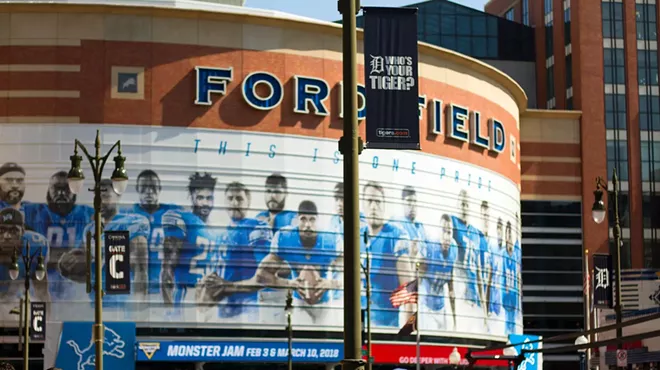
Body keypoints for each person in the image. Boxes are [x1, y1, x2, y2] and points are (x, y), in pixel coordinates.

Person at [61, 180, 150, 319]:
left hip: (123, 306)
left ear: (118, 196)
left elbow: (141, 269)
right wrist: (68, 268)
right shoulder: (90, 229)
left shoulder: (132, 223)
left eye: (106, 196)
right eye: (97, 197)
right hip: (97, 304)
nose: (100, 202)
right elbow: (90, 272)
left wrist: (139, 311)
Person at [253, 200, 339, 325]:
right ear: (297, 220)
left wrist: (332, 283)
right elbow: (262, 275)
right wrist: (289, 283)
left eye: (312, 219)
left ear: (318, 221)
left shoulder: (330, 239)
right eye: (303, 219)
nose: (308, 225)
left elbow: (352, 273)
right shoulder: (286, 237)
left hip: (325, 303)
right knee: (302, 340)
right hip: (299, 302)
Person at [195, 182, 272, 321]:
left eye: (239, 198)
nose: (234, 202)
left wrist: (227, 286)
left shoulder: (256, 227)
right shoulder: (222, 234)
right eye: (230, 198)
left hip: (247, 310)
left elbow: (265, 277)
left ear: (248, 202)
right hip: (221, 310)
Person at [23, 171, 94, 303]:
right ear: (48, 190)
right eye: (57, 189)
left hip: (75, 294)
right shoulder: (31, 212)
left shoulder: (88, 215)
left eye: (66, 189)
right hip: (39, 291)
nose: (61, 193)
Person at [161, 172, 220, 320]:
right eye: (200, 198)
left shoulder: (214, 230)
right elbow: (167, 269)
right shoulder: (184, 219)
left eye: (209, 198)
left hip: (210, 298)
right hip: (187, 295)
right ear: (192, 197)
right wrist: (169, 311)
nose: (205, 203)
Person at [123, 170, 182, 307]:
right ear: (137, 189)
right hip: (135, 287)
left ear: (159, 189)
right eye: (144, 188)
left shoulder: (172, 212)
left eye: (153, 187)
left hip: (166, 287)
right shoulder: (127, 214)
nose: (149, 192)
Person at [360, 181, 412, 328]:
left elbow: (408, 287)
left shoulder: (395, 235)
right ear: (363, 205)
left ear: (384, 205)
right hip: (359, 324)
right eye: (369, 201)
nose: (373, 206)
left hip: (385, 326)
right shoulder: (357, 235)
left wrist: (408, 333)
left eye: (378, 201)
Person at [0, 208, 50, 324]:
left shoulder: (35, 246)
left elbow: (41, 292)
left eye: (13, 230)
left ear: (22, 231)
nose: (7, 236)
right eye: (1, 230)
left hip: (15, 300)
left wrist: (45, 324)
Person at [451, 190, 487, 331]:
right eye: (462, 204)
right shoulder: (453, 223)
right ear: (457, 205)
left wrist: (484, 309)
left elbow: (478, 274)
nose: (464, 208)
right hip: (460, 292)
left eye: (466, 205)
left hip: (474, 298)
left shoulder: (475, 234)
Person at [328, 182, 367, 305]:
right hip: (337, 292)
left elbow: (357, 256)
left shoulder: (362, 222)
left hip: (358, 290)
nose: (339, 203)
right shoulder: (333, 221)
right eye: (336, 199)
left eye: (342, 199)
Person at [419, 214, 457, 331]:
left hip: (441, 307)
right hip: (426, 308)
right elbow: (417, 279)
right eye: (443, 231)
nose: (446, 236)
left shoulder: (454, 249)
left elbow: (451, 288)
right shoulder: (430, 248)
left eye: (449, 232)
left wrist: (455, 320)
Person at [502, 221, 519, 335]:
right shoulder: (503, 254)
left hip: (514, 295)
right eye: (507, 236)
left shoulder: (516, 254)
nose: (509, 239)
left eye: (511, 236)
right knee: (508, 322)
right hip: (507, 295)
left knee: (514, 323)